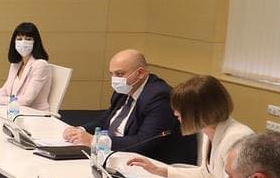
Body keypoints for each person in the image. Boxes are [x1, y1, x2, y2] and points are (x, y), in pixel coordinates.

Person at [61, 49, 192, 164]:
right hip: (112, 153)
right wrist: (80, 130)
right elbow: (105, 121)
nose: (114, 79)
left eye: (119, 74)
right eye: (111, 74)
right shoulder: (125, 89)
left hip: (147, 161)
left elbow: (143, 142)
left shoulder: (159, 96)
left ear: (140, 73)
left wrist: (94, 140)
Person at [127, 75, 253, 178]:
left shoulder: (237, 138)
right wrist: (157, 170)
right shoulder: (208, 131)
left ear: (200, 111)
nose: (175, 113)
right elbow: (205, 175)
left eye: (180, 109)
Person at [0, 22, 53, 111]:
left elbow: (26, 100)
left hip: (36, 113)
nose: (23, 42)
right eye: (19, 39)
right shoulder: (16, 64)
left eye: (28, 39)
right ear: (14, 42)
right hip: (16, 111)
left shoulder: (41, 65)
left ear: (36, 42)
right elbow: (5, 90)